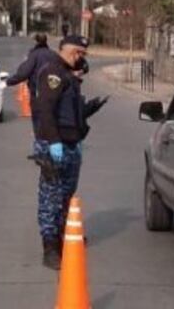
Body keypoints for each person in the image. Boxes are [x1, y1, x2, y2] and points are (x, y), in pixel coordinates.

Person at [32, 35, 109, 269]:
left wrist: (89, 109)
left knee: (66, 195)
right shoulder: (52, 73)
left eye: (83, 54)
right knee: (50, 197)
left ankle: (66, 237)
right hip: (54, 145)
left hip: (72, 144)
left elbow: (69, 113)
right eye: (77, 52)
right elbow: (46, 110)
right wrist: (53, 142)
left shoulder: (69, 76)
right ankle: (50, 248)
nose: (80, 58)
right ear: (65, 49)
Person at [6, 33, 55, 110]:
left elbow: (23, 73)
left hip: (37, 91)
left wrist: (9, 81)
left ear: (36, 42)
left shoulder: (34, 55)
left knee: (40, 117)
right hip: (54, 91)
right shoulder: (53, 54)